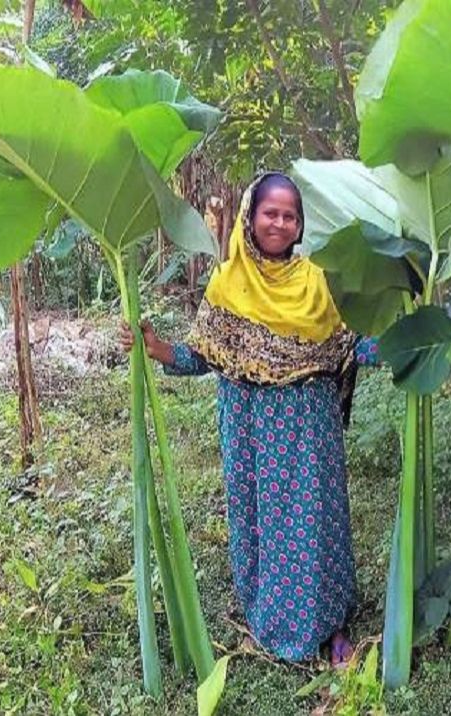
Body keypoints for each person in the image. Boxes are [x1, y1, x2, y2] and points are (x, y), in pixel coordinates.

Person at [119, 172, 377, 666]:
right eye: (270, 212)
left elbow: (340, 348)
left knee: (317, 522)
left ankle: (331, 626)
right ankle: (273, 622)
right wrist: (157, 349)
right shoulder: (227, 283)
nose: (279, 222)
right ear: (249, 217)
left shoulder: (313, 282)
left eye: (290, 215)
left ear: (300, 226)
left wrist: (401, 346)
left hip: (310, 431)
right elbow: (204, 355)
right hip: (253, 432)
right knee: (264, 523)